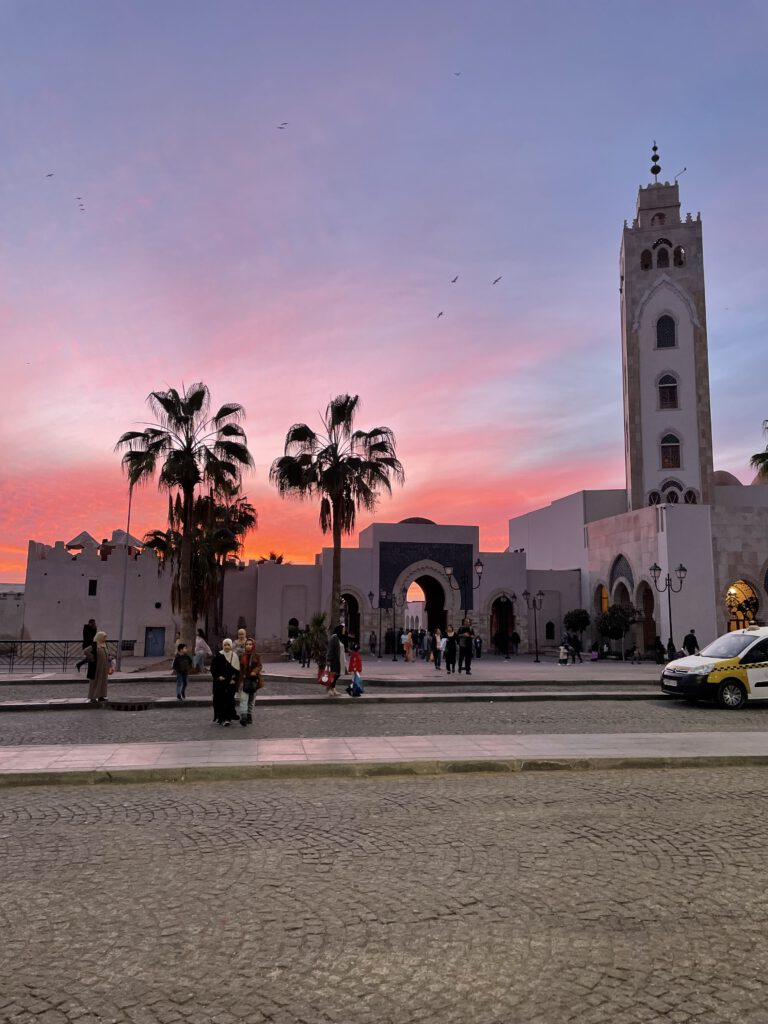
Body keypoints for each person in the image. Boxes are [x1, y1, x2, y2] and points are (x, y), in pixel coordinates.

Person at [210, 638, 240, 725]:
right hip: (219, 683)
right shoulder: (218, 655)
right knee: (220, 700)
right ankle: (221, 718)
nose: (226, 647)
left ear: (231, 646)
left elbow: (237, 671)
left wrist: (233, 680)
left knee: (229, 700)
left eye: (228, 645)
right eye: (225, 645)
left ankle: (228, 717)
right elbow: (213, 668)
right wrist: (218, 677)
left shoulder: (234, 656)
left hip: (230, 683)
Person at [238, 638, 263, 725]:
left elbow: (259, 666)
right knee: (243, 699)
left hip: (253, 681)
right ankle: (243, 717)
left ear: (253, 645)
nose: (248, 646)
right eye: (247, 644)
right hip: (244, 680)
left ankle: (249, 715)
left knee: (251, 700)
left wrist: (254, 671)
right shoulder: (241, 656)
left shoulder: (256, 656)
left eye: (250, 644)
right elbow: (238, 668)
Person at [85, 630, 109, 703]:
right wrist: (92, 658)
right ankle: (93, 697)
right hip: (96, 667)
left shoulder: (104, 645)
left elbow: (106, 653)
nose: (105, 639)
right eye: (104, 637)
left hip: (103, 667)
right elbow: (86, 651)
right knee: (95, 681)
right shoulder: (94, 645)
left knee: (102, 681)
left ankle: (101, 696)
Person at [325, 625, 345, 697]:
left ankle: (333, 688)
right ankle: (329, 688)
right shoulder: (334, 638)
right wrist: (329, 660)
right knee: (333, 675)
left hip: (339, 660)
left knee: (337, 674)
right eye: (342, 629)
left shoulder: (339, 638)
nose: (344, 631)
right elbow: (330, 649)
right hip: (334, 660)